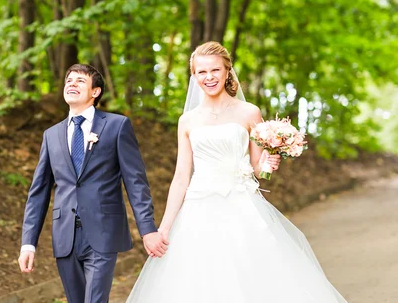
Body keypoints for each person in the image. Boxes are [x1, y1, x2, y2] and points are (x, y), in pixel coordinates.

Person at [126, 42, 348, 302]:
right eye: (202, 72)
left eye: (215, 70)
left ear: (227, 71)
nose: (209, 77)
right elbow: (181, 177)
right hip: (199, 209)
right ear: (194, 76)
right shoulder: (187, 121)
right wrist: (163, 229)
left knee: (253, 275)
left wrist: (268, 164)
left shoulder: (249, 112)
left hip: (242, 205)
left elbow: (257, 167)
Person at [18, 64, 167, 303]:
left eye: (79, 80)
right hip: (65, 234)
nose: (71, 83)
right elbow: (39, 192)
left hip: (103, 231)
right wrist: (28, 243)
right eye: (68, 80)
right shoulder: (51, 135)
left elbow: (135, 181)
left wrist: (147, 228)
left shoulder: (117, 126)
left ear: (95, 91)